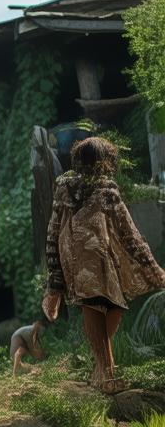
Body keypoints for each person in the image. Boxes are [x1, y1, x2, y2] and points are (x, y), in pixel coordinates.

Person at [43, 136, 165, 394]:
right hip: (86, 257)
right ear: (105, 161)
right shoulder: (77, 188)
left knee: (110, 304)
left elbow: (53, 232)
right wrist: (152, 267)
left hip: (89, 258)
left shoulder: (93, 188)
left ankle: (102, 370)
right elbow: (129, 232)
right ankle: (107, 373)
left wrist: (55, 277)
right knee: (98, 303)